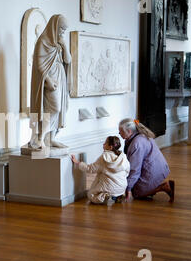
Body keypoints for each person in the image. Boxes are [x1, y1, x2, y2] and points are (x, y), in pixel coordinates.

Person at [29, 14, 71, 149]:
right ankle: (40, 137)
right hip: (50, 79)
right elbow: (39, 64)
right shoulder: (43, 41)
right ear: (54, 27)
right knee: (54, 107)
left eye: (64, 30)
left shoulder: (59, 43)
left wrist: (64, 46)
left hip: (60, 77)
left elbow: (68, 60)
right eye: (61, 29)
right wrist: (47, 80)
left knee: (60, 110)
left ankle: (51, 139)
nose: (62, 33)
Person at [118, 118, 175, 202]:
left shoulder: (137, 143)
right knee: (134, 186)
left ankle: (165, 187)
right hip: (157, 168)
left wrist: (128, 188)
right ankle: (149, 189)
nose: (119, 133)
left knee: (136, 194)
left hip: (154, 171)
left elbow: (135, 169)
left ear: (129, 131)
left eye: (121, 131)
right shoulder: (140, 135)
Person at [71, 136, 130, 205]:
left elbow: (90, 169)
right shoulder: (123, 158)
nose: (103, 144)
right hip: (122, 187)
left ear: (110, 147)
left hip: (110, 187)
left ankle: (106, 196)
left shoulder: (104, 158)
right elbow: (127, 171)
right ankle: (116, 196)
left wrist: (77, 162)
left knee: (90, 195)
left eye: (105, 143)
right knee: (106, 181)